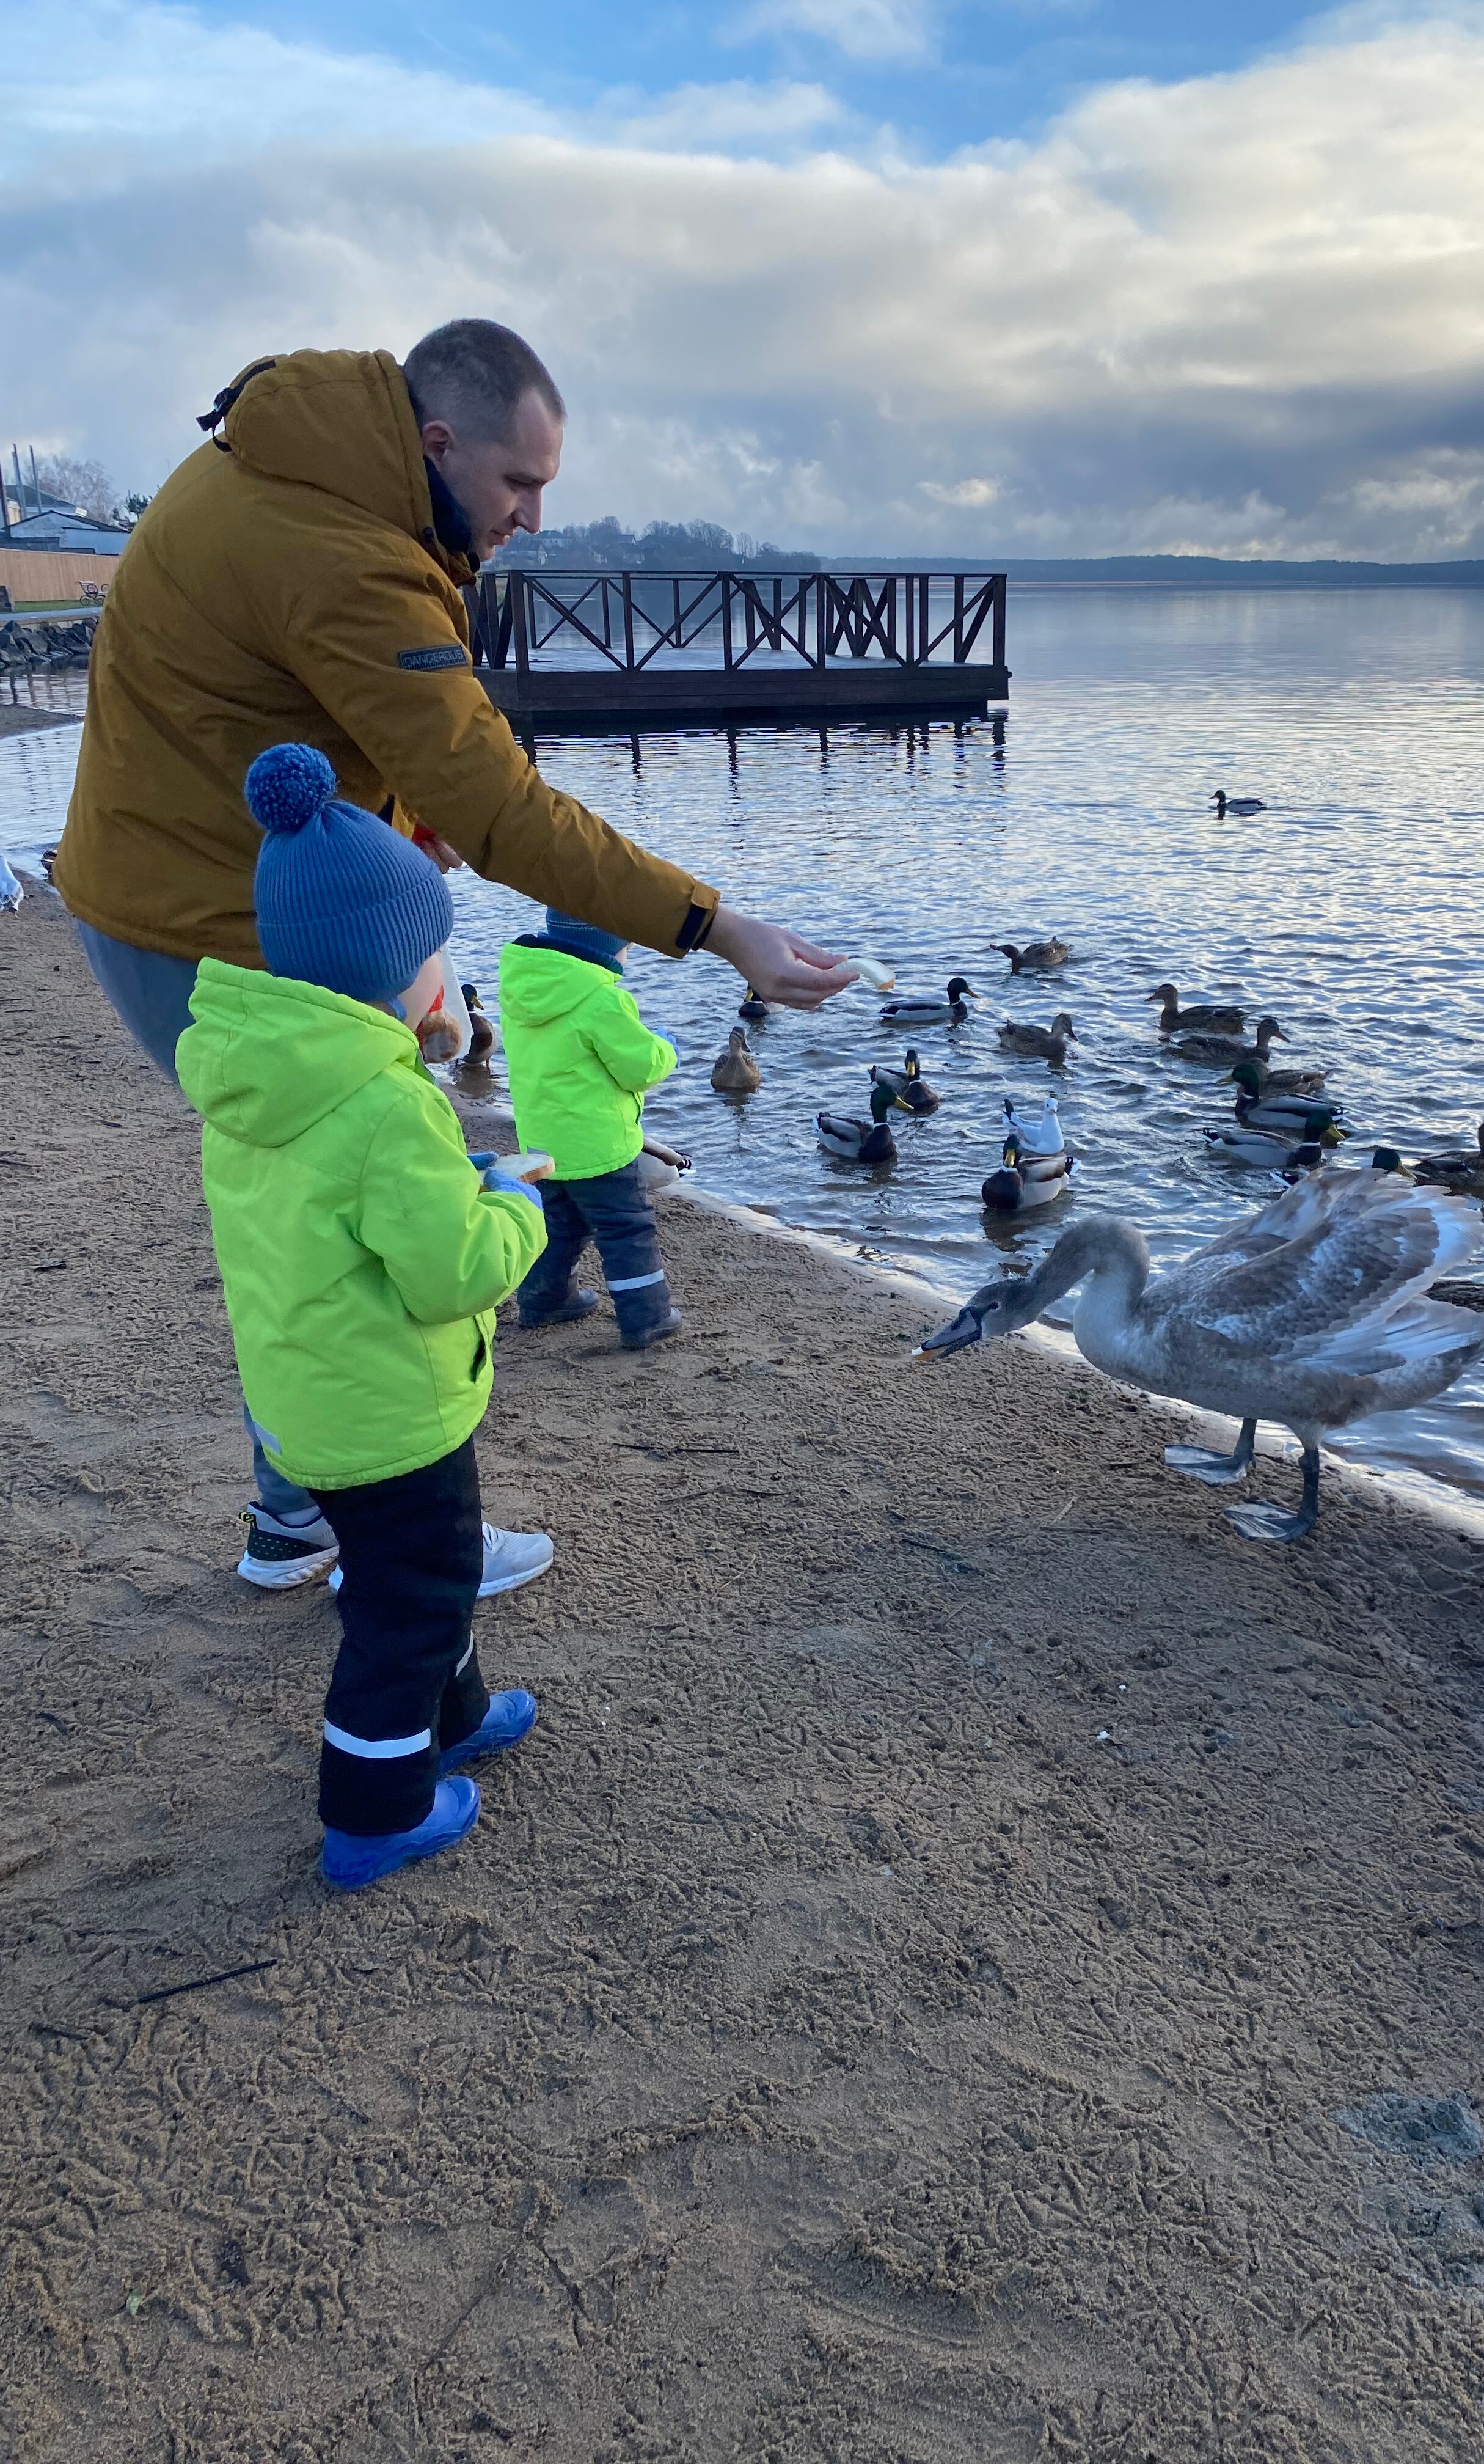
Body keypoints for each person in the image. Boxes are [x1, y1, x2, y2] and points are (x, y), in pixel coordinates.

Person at [54, 315, 853, 1585]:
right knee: (371, 1230)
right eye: (518, 484)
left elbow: (340, 713)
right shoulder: (344, 550)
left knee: (306, 1218)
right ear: (436, 442)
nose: (533, 515)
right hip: (203, 924)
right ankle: (405, 1544)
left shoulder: (306, 465)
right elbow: (501, 807)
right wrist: (718, 927)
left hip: (161, 885)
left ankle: (294, 1517)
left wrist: (400, 823)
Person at [177, 743, 550, 1890]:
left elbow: (335, 1226)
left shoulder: (257, 1084)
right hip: (392, 1406)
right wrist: (515, 1207)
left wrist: (454, 1165)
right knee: (407, 1604)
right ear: (397, 971)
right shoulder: (386, 1105)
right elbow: (450, 1275)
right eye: (434, 950)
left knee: (421, 1575)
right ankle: (375, 1810)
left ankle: (458, 1712)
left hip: (311, 1393)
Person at [499, 908, 682, 1347]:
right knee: (626, 1229)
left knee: (559, 1225)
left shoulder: (521, 990)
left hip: (544, 1142)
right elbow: (639, 1068)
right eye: (627, 943)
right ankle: (647, 1317)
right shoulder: (602, 999)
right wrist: (665, 1048)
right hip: (599, 1146)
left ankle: (545, 1301)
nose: (629, 951)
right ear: (604, 947)